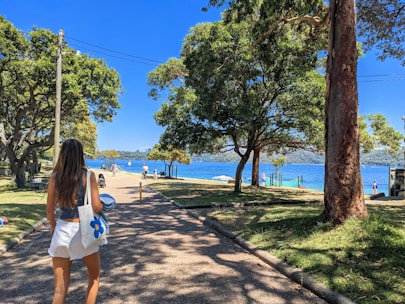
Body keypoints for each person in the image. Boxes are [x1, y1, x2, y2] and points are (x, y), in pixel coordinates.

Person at [47, 139, 104, 304]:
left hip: (62, 230)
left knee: (59, 290)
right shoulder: (88, 175)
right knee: (94, 277)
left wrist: (53, 227)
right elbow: (97, 206)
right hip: (83, 231)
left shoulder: (55, 177)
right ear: (80, 154)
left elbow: (50, 210)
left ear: (63, 155)